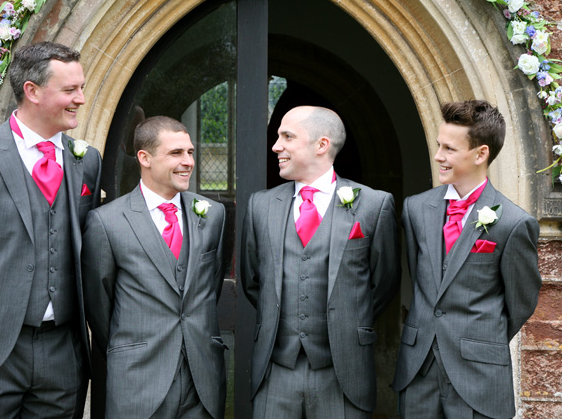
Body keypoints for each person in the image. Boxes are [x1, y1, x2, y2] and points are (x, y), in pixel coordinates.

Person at [0, 41, 102, 418]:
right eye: (70, 90)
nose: (82, 99)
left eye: (83, 87)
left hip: (61, 353)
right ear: (32, 91)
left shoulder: (86, 161)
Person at [241, 105, 400, 418]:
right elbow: (252, 280)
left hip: (343, 372)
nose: (276, 146)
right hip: (275, 370)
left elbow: (384, 282)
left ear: (322, 145)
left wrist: (346, 318)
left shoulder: (373, 205)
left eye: (287, 136)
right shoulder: (260, 205)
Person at [392, 100, 542, 419]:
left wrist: (477, 338)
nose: (438, 156)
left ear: (480, 154)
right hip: (418, 371)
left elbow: (522, 302)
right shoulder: (415, 210)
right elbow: (421, 277)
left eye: (449, 148)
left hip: (479, 378)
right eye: (438, 146)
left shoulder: (514, 223)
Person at [82, 116, 227, 418]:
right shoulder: (107, 222)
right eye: (176, 153)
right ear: (144, 158)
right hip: (138, 379)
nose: (188, 161)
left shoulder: (213, 215)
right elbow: (99, 305)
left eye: (190, 152)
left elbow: (209, 287)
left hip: (202, 379)